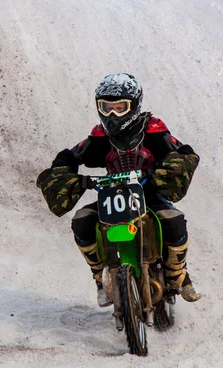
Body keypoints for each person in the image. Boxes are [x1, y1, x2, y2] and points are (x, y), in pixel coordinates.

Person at [37, 73, 202, 307]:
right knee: (82, 221)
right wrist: (67, 175)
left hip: (148, 192)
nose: (112, 114)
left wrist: (165, 171)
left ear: (134, 106)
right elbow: (70, 156)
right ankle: (99, 278)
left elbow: (184, 152)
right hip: (111, 195)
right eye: (106, 107)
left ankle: (177, 275)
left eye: (119, 107)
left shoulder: (153, 130)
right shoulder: (99, 137)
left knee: (173, 220)